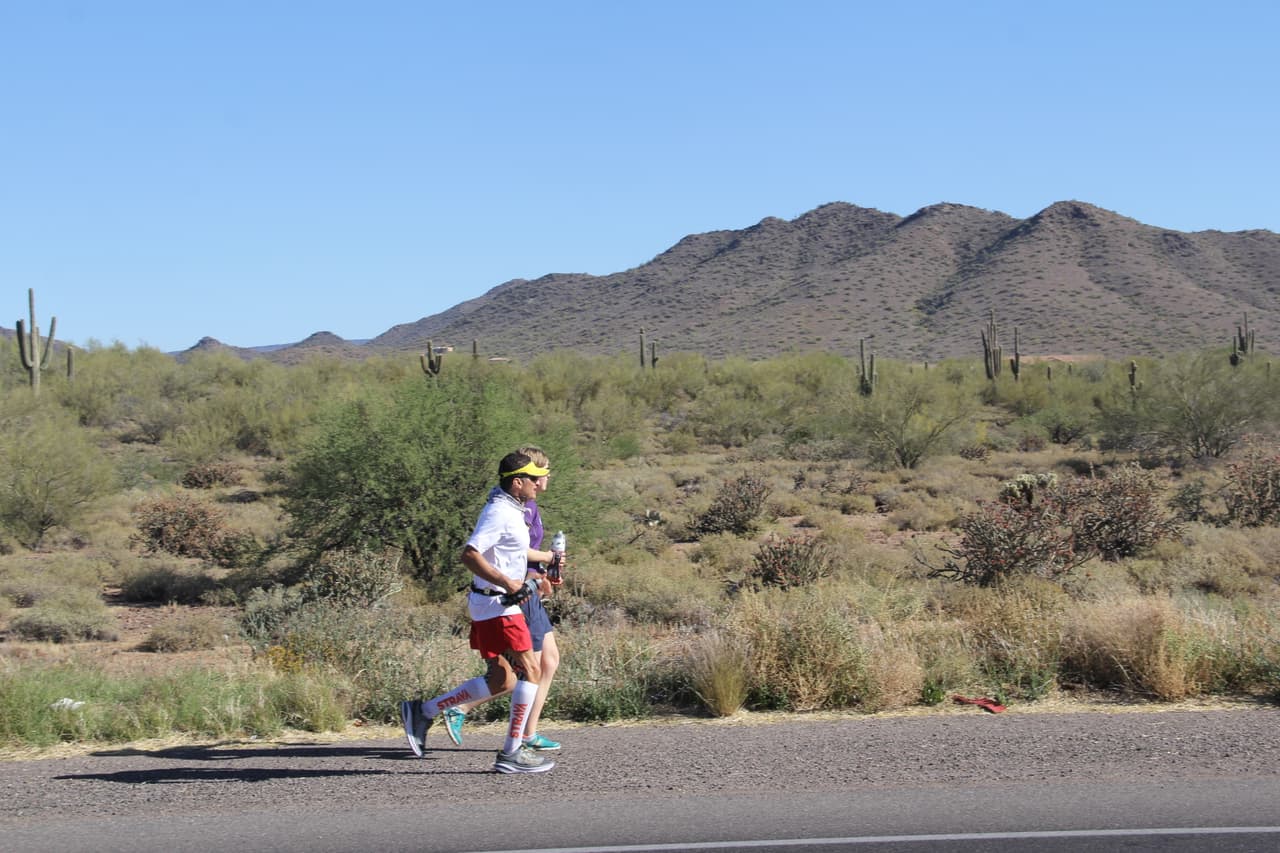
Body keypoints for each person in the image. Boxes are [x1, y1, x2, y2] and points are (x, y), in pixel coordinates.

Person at [400, 451, 554, 774]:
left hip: (491, 603)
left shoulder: (512, 508)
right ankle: (512, 753)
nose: (538, 486)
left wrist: (534, 575)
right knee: (532, 671)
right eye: (532, 480)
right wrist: (508, 583)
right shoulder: (500, 512)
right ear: (517, 483)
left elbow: (506, 552)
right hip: (498, 604)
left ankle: (423, 712)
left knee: (502, 680)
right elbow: (469, 554)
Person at [441, 446, 564, 752]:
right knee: (524, 672)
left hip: (524, 589)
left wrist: (540, 573)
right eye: (538, 473)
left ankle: (520, 737)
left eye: (543, 475)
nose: (543, 479)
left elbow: (513, 550)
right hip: (510, 596)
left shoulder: (520, 506)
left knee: (541, 664)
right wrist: (524, 576)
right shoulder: (507, 509)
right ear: (519, 480)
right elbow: (478, 553)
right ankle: (513, 743)